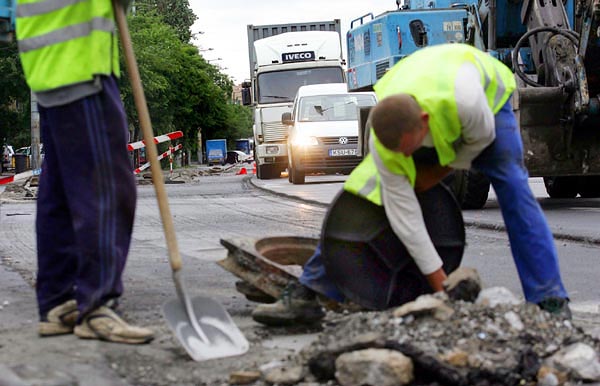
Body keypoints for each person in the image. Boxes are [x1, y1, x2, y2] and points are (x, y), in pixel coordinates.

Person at [252, 43, 570, 326]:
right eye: (400, 153)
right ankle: (307, 292)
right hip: (420, 90)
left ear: (424, 123)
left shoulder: (469, 103)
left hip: (490, 100)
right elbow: (406, 219)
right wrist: (441, 285)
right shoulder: (384, 139)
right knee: (365, 193)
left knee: (514, 189)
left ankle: (549, 298)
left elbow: (481, 140)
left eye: (409, 150)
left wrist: (438, 171)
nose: (407, 158)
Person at [16, 0, 154, 343]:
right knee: (106, 186)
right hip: (79, 62)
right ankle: (97, 304)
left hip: (49, 63)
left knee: (59, 190)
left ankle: (57, 301)